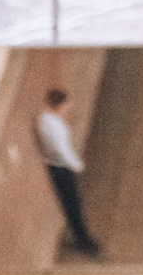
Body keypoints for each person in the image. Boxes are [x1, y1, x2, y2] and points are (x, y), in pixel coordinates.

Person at [35, 89, 102, 258]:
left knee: (72, 205)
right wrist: (76, 165)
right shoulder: (53, 125)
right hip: (62, 169)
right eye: (66, 105)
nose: (68, 108)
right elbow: (61, 150)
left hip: (57, 166)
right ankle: (83, 240)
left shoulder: (46, 119)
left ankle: (81, 237)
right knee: (73, 205)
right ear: (59, 105)